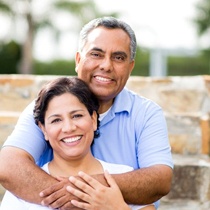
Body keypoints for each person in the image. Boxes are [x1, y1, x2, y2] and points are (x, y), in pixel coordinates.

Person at [0, 16, 173, 209]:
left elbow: (160, 179)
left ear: (130, 67)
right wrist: (78, 200)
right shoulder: (46, 107)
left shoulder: (146, 114)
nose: (106, 66)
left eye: (118, 57)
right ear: (78, 59)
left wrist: (83, 192)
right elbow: (9, 166)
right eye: (96, 54)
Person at [1, 77, 155, 210]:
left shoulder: (122, 176)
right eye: (56, 120)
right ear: (44, 130)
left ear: (93, 120)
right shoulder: (21, 190)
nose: (69, 128)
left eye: (77, 116)